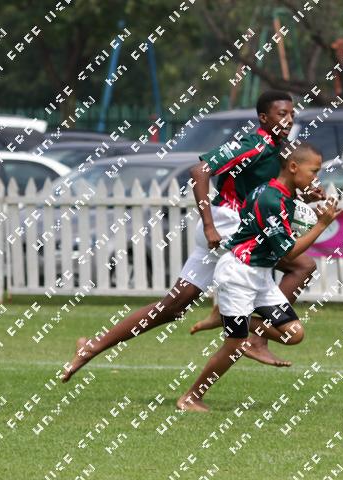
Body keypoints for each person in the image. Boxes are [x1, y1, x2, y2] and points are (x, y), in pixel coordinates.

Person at [63, 91, 321, 383]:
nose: (288, 120)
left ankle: (91, 347)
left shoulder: (280, 149)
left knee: (174, 306)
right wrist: (209, 225)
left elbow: (267, 195)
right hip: (227, 226)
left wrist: (304, 196)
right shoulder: (253, 145)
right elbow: (199, 171)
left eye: (292, 114)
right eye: (281, 114)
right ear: (263, 118)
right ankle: (255, 337)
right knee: (301, 265)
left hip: (233, 230)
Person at [177, 142, 341, 412]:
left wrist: (305, 206)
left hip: (260, 276)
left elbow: (279, 219)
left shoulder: (273, 194)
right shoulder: (270, 200)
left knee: (293, 334)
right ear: (293, 167)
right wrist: (321, 225)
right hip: (238, 275)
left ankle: (226, 318)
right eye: (314, 171)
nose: (316, 178)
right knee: (235, 346)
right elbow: (288, 253)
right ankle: (191, 397)